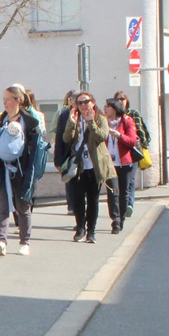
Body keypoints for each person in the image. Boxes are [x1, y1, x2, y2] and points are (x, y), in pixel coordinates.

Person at [0, 85, 41, 257]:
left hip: (21, 171)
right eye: (3, 99)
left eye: (8, 99)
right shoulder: (0, 119)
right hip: (1, 169)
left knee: (22, 207)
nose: (5, 102)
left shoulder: (29, 122)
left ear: (18, 100)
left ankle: (24, 242)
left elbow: (35, 147)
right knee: (2, 206)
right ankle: (1, 241)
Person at [63, 92, 112, 243]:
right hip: (78, 166)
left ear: (93, 102)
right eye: (80, 102)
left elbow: (102, 136)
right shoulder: (75, 119)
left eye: (86, 101)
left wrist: (91, 122)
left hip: (94, 166)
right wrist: (71, 123)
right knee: (78, 199)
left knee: (93, 200)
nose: (83, 105)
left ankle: (91, 231)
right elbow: (66, 138)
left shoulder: (100, 118)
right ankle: (80, 228)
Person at [102, 99, 139, 235]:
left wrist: (120, 136)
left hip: (124, 163)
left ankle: (121, 217)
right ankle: (115, 220)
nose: (105, 109)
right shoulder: (103, 122)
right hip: (109, 164)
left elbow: (132, 141)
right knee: (112, 192)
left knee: (123, 193)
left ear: (114, 108)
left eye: (107, 107)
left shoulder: (127, 121)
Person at [113, 91, 148, 216]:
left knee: (130, 179)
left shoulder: (133, 114)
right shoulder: (112, 117)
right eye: (118, 99)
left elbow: (141, 131)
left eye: (123, 99)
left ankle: (129, 204)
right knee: (118, 182)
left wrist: (142, 143)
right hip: (117, 154)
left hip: (132, 151)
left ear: (127, 101)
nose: (120, 101)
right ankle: (121, 204)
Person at [53, 90, 80, 222]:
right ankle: (74, 209)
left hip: (85, 157)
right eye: (74, 101)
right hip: (69, 156)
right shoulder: (64, 115)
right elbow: (59, 137)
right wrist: (58, 161)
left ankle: (83, 219)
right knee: (71, 183)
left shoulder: (90, 114)